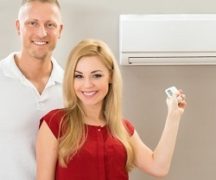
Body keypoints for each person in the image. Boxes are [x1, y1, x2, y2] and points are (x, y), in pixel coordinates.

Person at [36, 39, 187, 180]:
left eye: (96, 75)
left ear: (110, 77)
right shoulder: (55, 123)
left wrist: (173, 116)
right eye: (79, 76)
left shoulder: (123, 129)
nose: (87, 84)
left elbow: (159, 167)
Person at [0, 0, 63, 179]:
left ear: (60, 31)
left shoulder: (74, 88)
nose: (41, 33)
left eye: (50, 24)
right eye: (32, 23)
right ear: (19, 27)